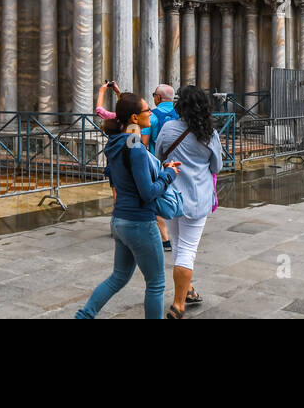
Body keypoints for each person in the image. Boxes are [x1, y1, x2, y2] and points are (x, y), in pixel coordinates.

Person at [76, 94, 181, 320]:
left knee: (119, 277)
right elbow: (148, 192)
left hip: (120, 221)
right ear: (134, 117)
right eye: (147, 111)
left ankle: (84, 316)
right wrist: (169, 174)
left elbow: (133, 176)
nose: (151, 113)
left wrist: (159, 170)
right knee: (156, 283)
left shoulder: (116, 142)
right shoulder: (135, 147)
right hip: (139, 222)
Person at [156, 87, 224, 319]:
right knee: (187, 249)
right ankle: (178, 304)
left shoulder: (168, 128)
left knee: (177, 245)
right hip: (197, 198)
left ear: (180, 106)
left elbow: (159, 156)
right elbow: (217, 166)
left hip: (171, 197)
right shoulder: (209, 133)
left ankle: (188, 290)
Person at [145, 83, 179, 252]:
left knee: (157, 198)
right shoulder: (181, 115)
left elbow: (143, 144)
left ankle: (165, 238)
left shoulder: (152, 116)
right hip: (179, 166)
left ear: (158, 98)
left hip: (158, 165)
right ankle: (178, 234)